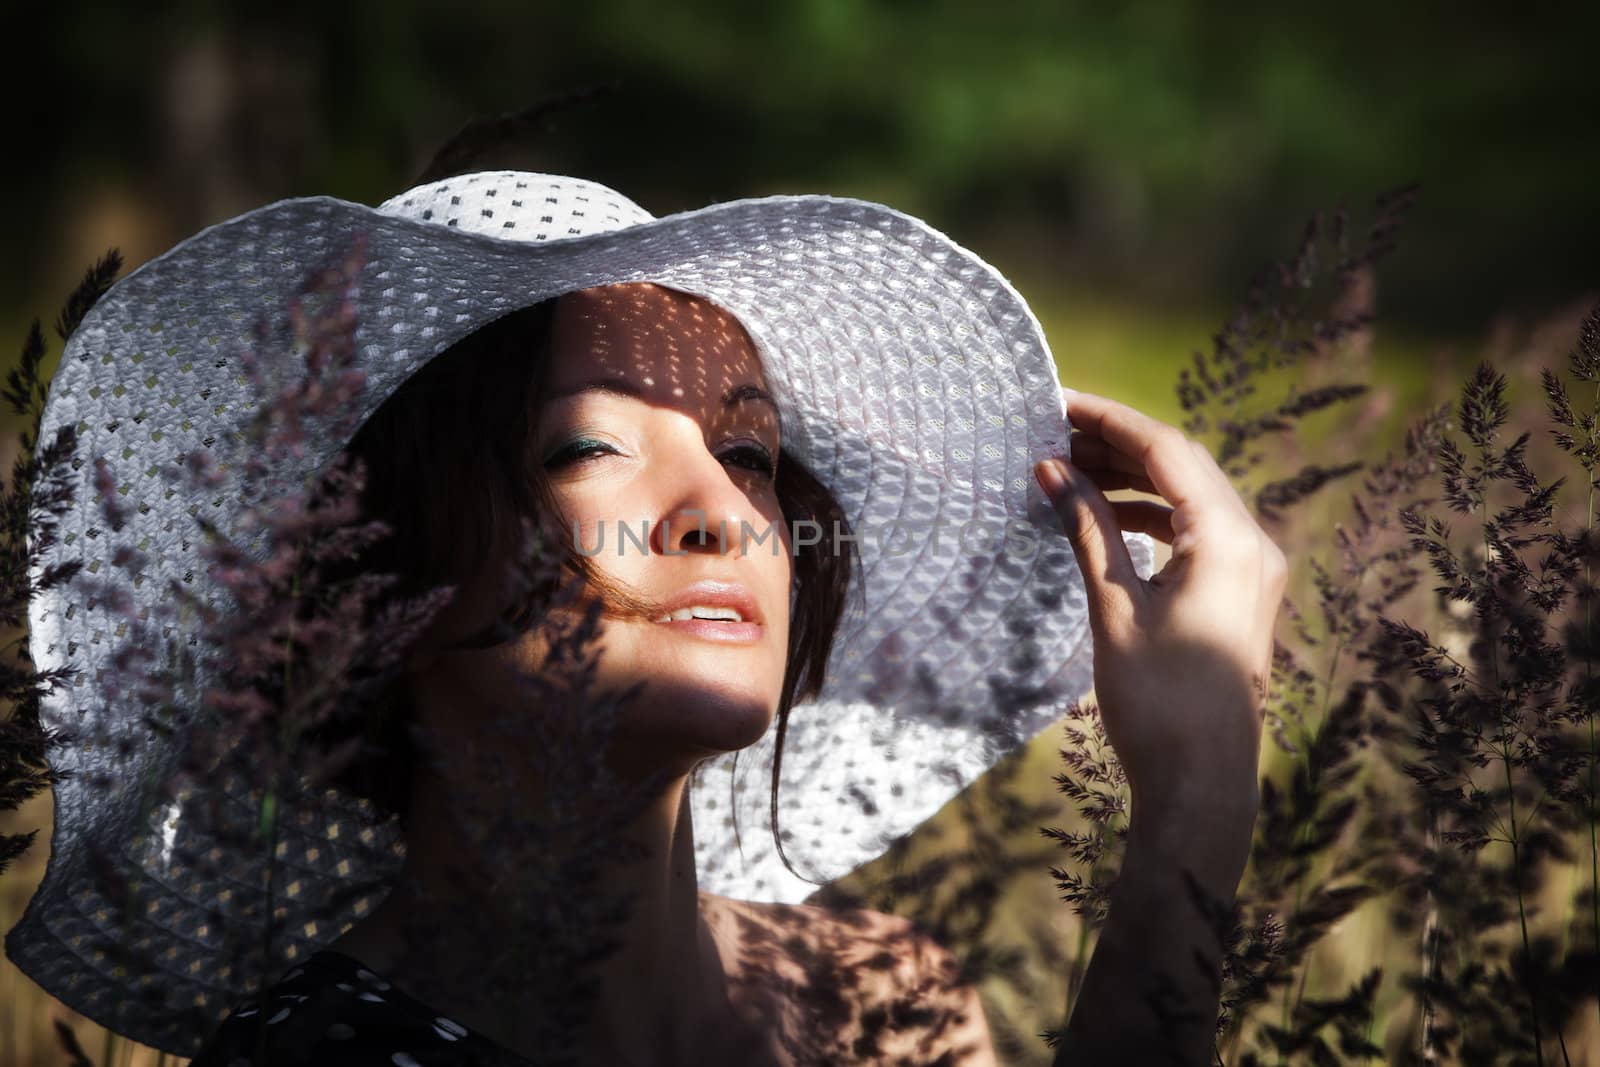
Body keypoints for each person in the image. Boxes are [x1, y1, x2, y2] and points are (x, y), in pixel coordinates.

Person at [5, 167, 1284, 1066]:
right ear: (375, 576)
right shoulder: (323, 1054)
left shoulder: (884, 1003)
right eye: (590, 446)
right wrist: (1197, 794)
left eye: (752, 452)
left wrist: (1197, 764)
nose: (719, 512)